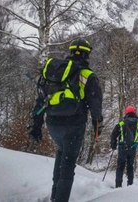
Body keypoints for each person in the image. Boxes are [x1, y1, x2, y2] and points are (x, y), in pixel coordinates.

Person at [28, 38, 103, 202]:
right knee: (68, 164)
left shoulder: (53, 72)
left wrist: (36, 125)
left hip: (52, 123)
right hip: (74, 125)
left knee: (62, 154)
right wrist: (98, 126)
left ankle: (55, 197)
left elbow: (40, 100)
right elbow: (95, 104)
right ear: (87, 53)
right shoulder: (87, 75)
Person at [110, 106, 138, 188]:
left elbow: (113, 134)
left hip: (122, 147)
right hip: (132, 148)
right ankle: (130, 185)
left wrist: (113, 145)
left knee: (120, 166)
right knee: (130, 166)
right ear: (134, 113)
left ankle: (118, 184)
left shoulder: (121, 123)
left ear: (126, 113)